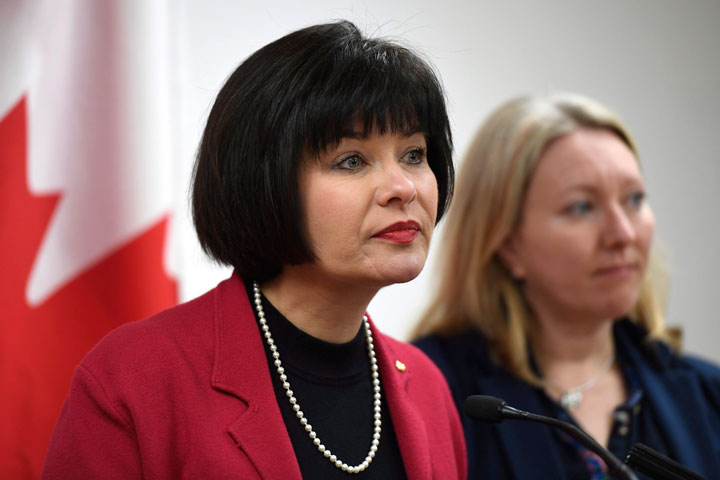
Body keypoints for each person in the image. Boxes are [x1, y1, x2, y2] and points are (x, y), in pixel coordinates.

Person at [42, 21, 466, 479]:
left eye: (414, 155)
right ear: (263, 181)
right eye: (351, 161)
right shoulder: (135, 378)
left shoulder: (427, 386)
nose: (403, 188)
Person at [413, 93, 720, 479]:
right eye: (582, 207)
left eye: (634, 199)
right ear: (507, 243)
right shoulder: (426, 391)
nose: (623, 234)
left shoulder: (706, 393)